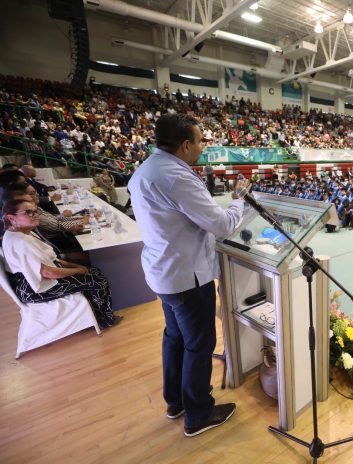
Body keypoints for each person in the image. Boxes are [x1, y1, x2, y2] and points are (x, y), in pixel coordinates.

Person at [128, 113, 249, 438]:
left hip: (164, 273)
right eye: (199, 141)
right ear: (184, 145)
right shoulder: (176, 177)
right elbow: (221, 224)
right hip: (186, 278)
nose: (202, 146)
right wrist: (237, 201)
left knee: (175, 337)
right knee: (199, 343)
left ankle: (176, 401)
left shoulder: (146, 169)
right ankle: (198, 414)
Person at [1, 198, 119, 329]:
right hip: (35, 288)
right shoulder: (21, 242)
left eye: (35, 211)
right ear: (11, 218)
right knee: (98, 280)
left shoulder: (19, 233)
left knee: (93, 271)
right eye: (28, 212)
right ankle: (104, 320)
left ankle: (94, 314)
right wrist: (78, 270)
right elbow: (48, 273)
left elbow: (51, 260)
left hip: (33, 282)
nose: (35, 215)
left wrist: (76, 267)